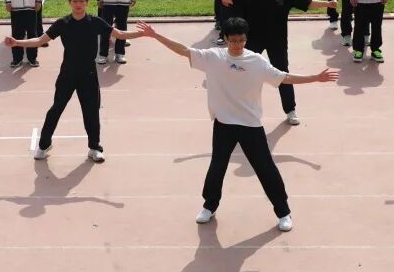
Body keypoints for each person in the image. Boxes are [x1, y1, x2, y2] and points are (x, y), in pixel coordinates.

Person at [138, 18, 337, 231]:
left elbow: (283, 77)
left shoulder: (256, 61)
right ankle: (209, 206)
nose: (237, 45)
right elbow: (184, 50)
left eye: (241, 40)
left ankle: (283, 212)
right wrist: (155, 35)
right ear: (225, 39)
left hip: (250, 125)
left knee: (265, 168)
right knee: (217, 167)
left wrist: (315, 78)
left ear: (246, 39)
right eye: (233, 41)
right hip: (224, 123)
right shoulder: (213, 57)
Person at [4, 0, 145, 163]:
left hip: (89, 75)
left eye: (82, 1)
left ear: (87, 3)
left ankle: (94, 148)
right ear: (70, 2)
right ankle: (44, 145)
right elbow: (40, 40)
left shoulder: (95, 22)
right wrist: (17, 42)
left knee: (91, 112)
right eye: (75, 1)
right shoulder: (62, 23)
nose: (78, 4)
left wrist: (143, 33)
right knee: (56, 109)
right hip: (67, 74)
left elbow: (119, 34)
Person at [203, 0, 336, 125]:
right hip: (254, 39)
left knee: (282, 73)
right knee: (242, 70)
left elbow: (308, 2)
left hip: (277, 40)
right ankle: (234, 107)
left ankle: (290, 110)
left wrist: (328, 4)